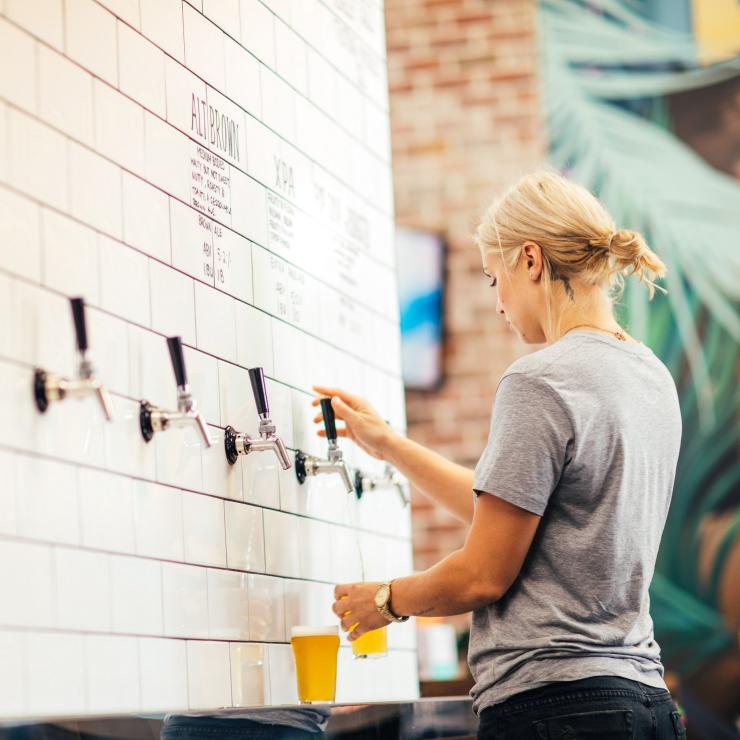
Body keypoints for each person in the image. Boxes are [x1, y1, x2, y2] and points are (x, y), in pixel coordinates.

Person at [313, 170, 686, 739]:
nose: (499, 305)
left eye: (494, 280)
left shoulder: (541, 380)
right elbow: (522, 517)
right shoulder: (651, 377)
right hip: (644, 705)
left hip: (554, 707)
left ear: (531, 261)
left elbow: (484, 572)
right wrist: (388, 444)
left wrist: (386, 600)